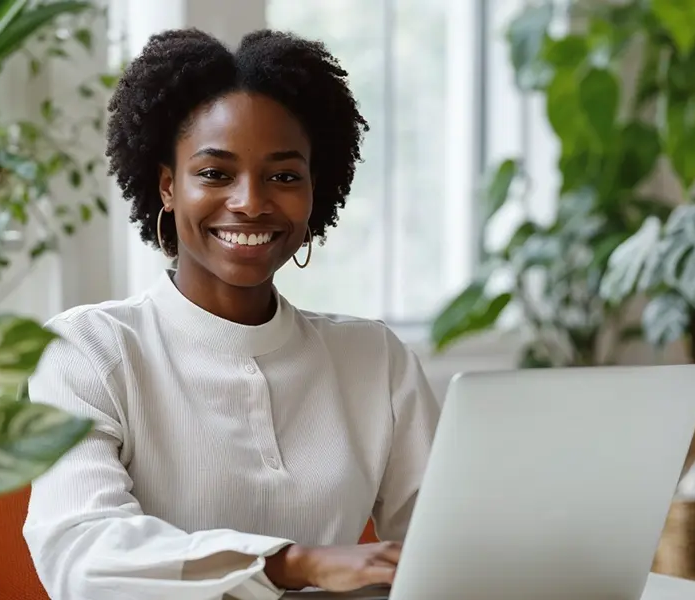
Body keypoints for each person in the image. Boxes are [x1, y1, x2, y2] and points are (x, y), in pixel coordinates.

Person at [23, 27, 440, 600]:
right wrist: (294, 564)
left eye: (284, 176)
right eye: (215, 174)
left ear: (316, 190)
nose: (250, 201)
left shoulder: (374, 359)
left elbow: (448, 547)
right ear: (167, 185)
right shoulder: (88, 350)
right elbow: (83, 555)